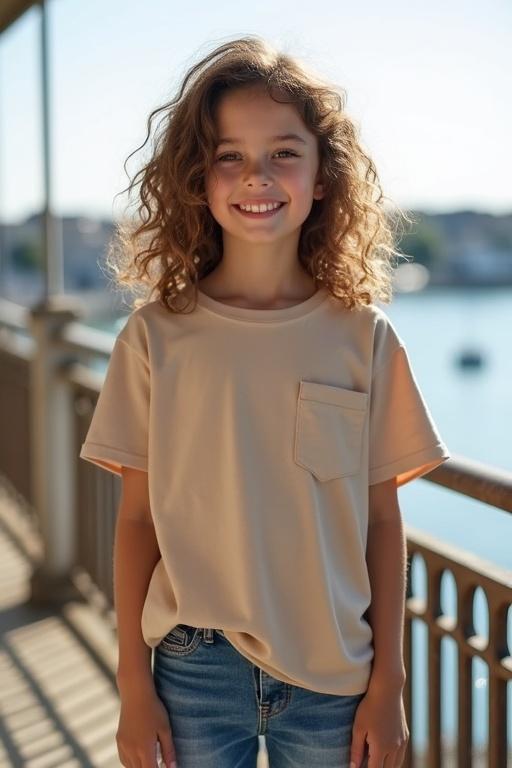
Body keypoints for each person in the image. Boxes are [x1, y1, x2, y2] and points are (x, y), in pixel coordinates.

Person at [79, 35, 451, 768]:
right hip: (192, 669)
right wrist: (132, 684)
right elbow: (136, 520)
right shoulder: (155, 336)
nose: (257, 176)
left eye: (284, 152)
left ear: (322, 178)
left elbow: (382, 519)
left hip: (336, 675)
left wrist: (389, 685)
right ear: (198, 178)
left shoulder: (364, 337)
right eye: (229, 155)